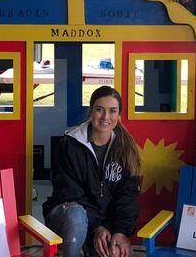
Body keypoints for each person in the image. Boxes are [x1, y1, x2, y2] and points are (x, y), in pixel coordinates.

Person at [43, 86, 141, 257]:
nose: (105, 117)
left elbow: (128, 195)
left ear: (119, 115)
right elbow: (69, 193)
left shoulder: (126, 149)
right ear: (91, 112)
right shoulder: (69, 144)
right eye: (99, 110)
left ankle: (91, 247)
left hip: (104, 222)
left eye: (112, 111)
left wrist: (120, 231)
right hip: (68, 217)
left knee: (116, 251)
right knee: (76, 217)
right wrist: (97, 227)